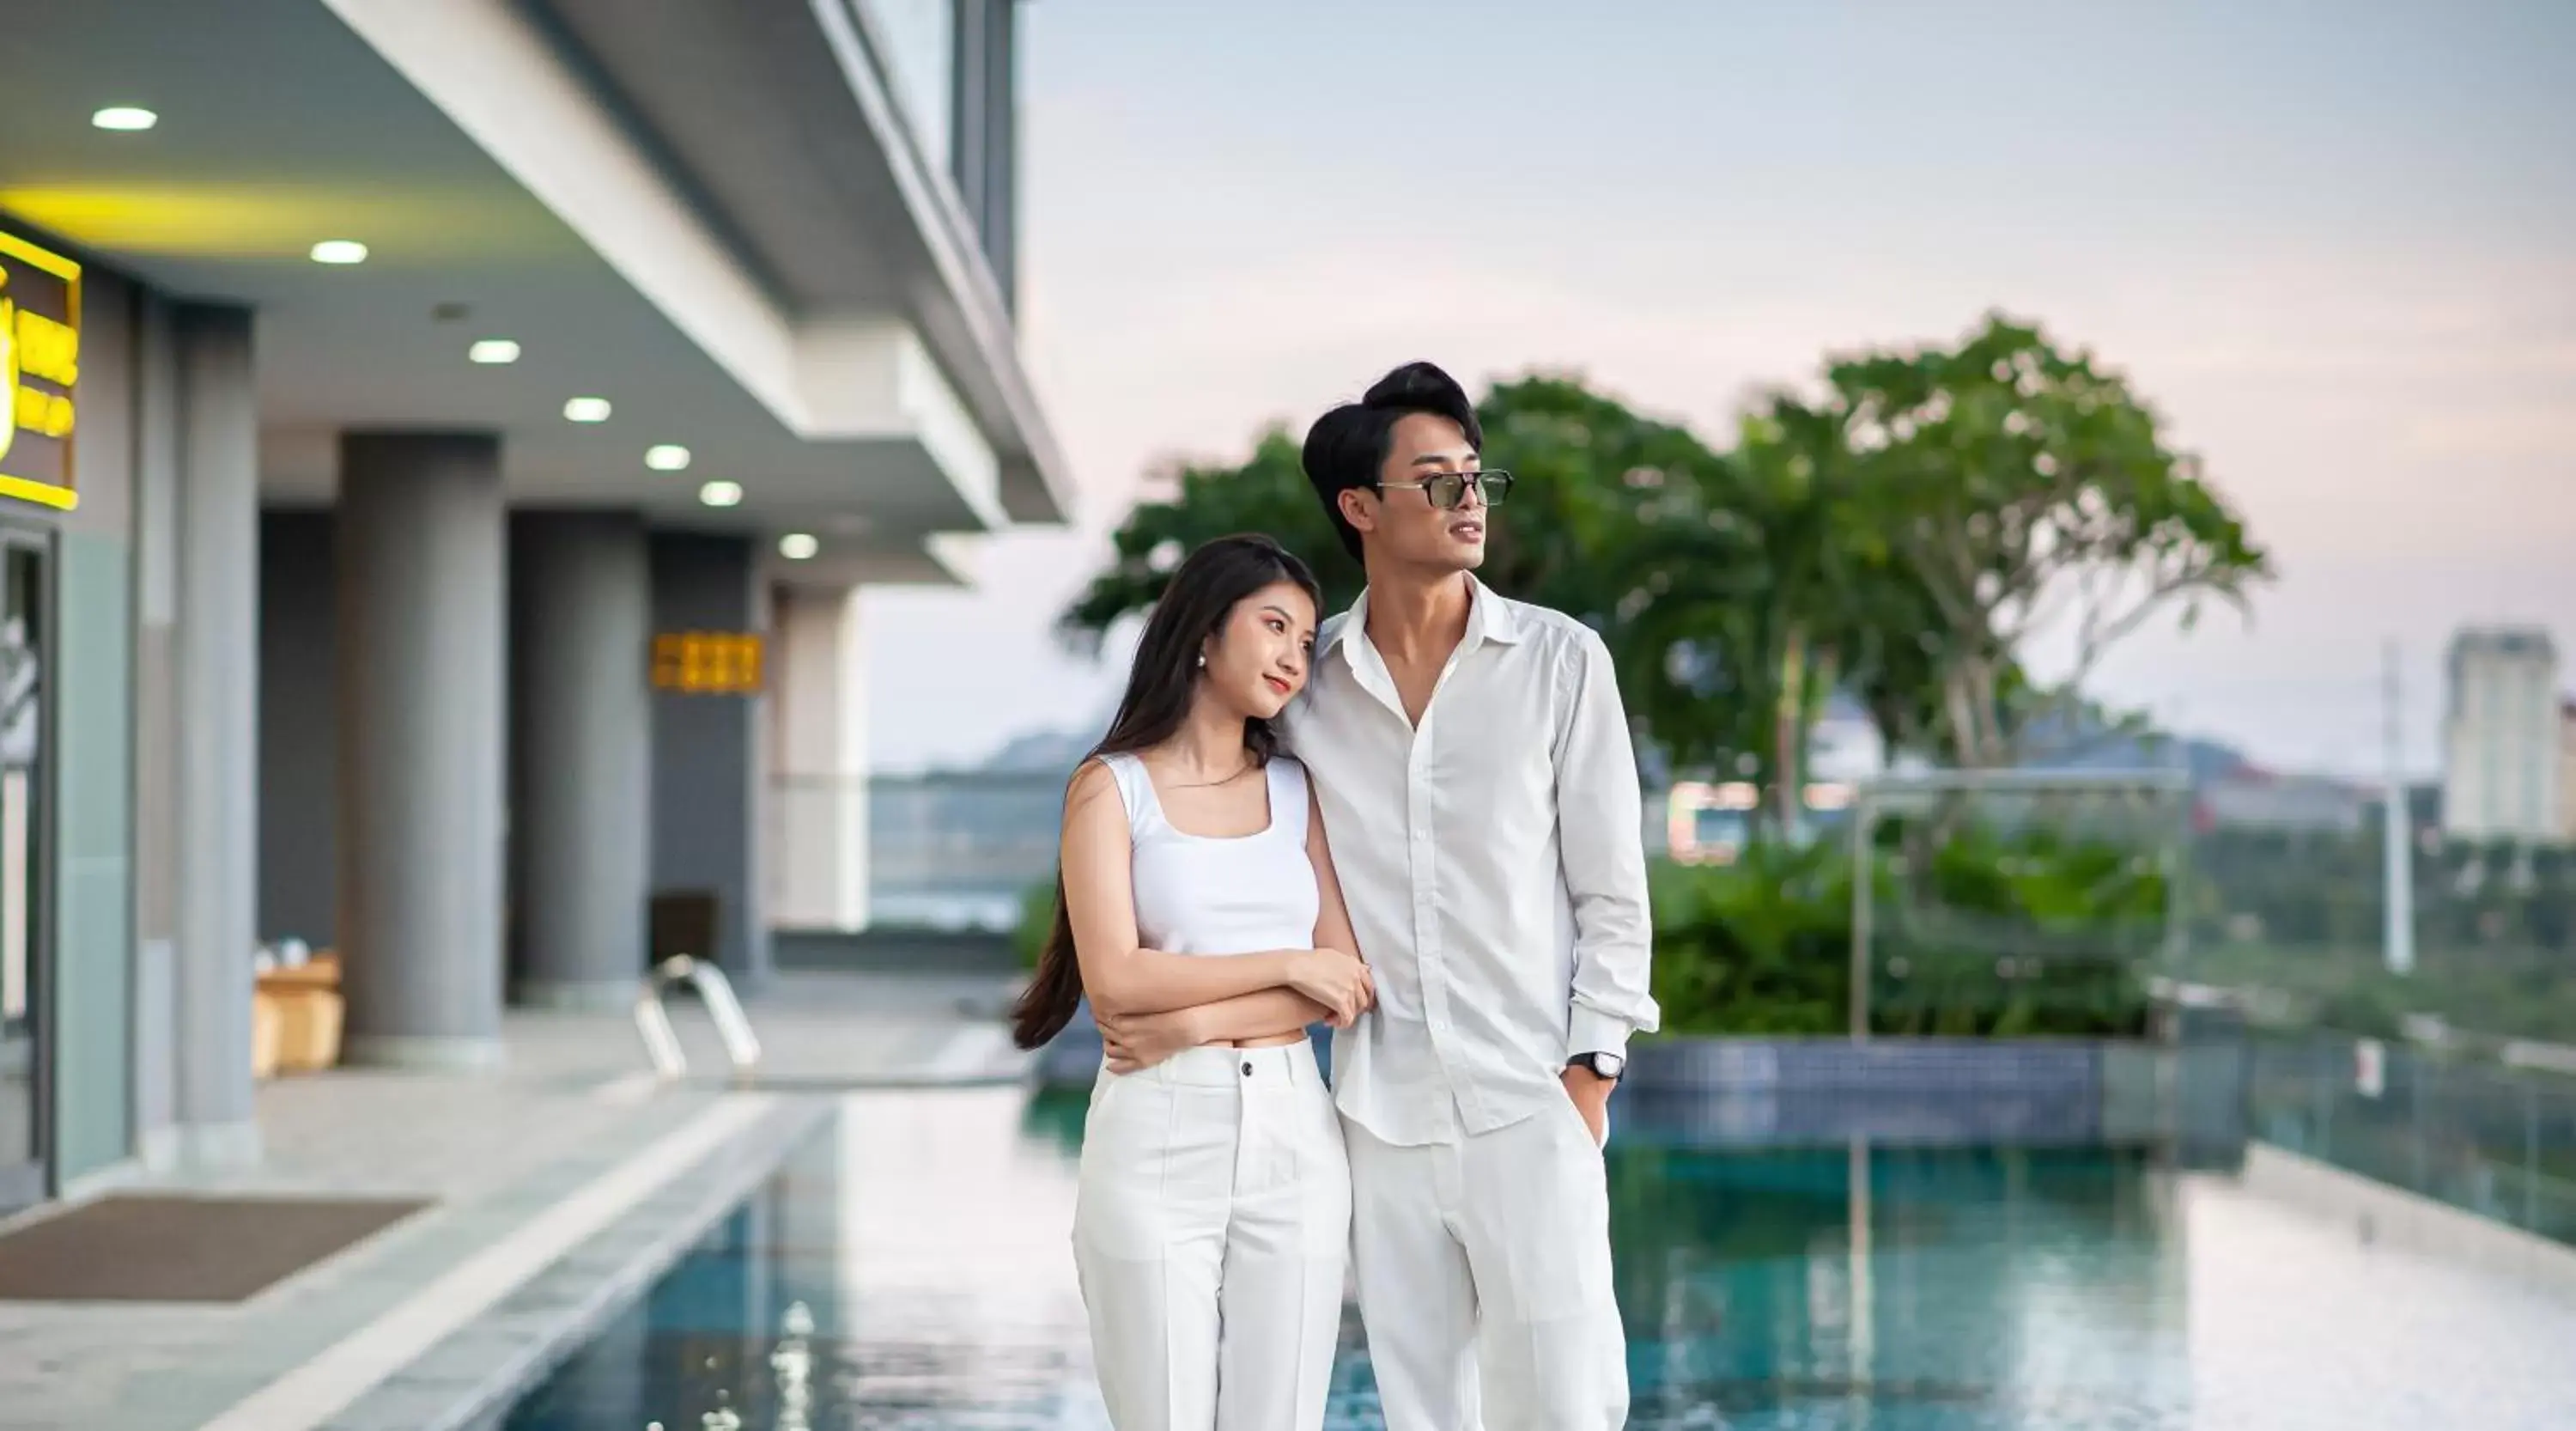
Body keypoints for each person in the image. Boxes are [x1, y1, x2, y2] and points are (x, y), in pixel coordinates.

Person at [1296, 360, 1657, 1428]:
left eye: (1475, 479)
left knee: (1566, 1402)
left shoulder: (1561, 661)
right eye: (1436, 480)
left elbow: (1614, 891)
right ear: (1360, 507)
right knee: (1425, 1411)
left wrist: (1590, 1071)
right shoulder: (1306, 684)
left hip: (1531, 1104)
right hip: (1382, 1114)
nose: (1469, 502)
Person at [1009, 533, 1376, 1431]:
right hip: (1155, 1135)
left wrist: (1192, 1020)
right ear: (1205, 634)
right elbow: (1118, 983)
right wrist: (1286, 964)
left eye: (1307, 635)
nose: (1296, 653)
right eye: (1274, 625)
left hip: (1294, 1132)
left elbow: (1347, 983)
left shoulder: (1299, 788)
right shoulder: (1110, 788)